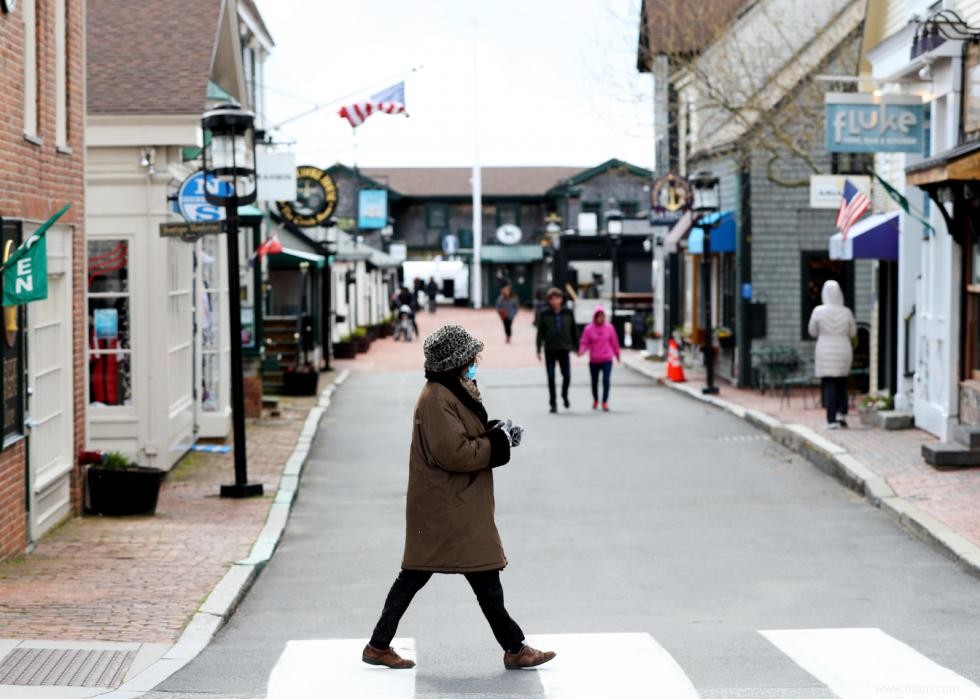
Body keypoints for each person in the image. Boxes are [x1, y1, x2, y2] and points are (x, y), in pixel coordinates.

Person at [362, 324, 556, 671]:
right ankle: (515, 648)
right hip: (448, 506)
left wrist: (498, 431)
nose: (476, 361)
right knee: (477, 575)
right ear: (454, 362)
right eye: (470, 356)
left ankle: (379, 645)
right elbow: (455, 453)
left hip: (451, 504)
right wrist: (499, 443)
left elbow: (464, 436)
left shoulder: (453, 390)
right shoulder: (437, 398)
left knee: (433, 576)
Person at [808, 279, 857, 430]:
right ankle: (841, 413)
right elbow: (853, 332)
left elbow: (812, 331)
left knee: (829, 383)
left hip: (825, 349)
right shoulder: (846, 311)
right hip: (843, 349)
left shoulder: (818, 311)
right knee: (842, 383)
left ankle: (831, 419)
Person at [536, 287, 579, 413]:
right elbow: (540, 333)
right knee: (551, 376)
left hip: (564, 348)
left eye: (557, 298)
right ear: (549, 300)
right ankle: (553, 403)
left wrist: (577, 346)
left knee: (566, 375)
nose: (555, 301)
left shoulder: (568, 312)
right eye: (552, 299)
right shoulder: (544, 313)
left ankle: (564, 395)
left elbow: (574, 330)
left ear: (561, 299)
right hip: (550, 349)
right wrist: (538, 349)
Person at [578, 306, 620, 411]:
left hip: (606, 358)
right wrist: (581, 351)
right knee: (594, 381)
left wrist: (617, 355)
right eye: (599, 316)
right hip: (594, 360)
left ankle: (605, 401)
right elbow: (584, 342)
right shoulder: (588, 329)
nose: (601, 318)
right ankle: (596, 399)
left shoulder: (609, 328)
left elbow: (614, 342)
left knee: (606, 380)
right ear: (595, 317)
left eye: (603, 316)